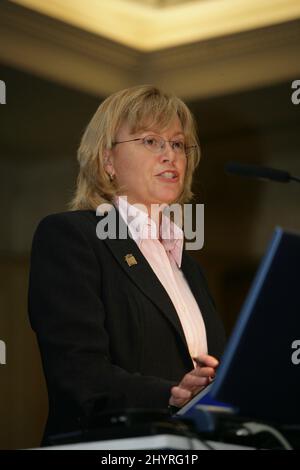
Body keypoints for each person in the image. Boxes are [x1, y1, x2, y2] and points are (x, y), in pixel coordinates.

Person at [28, 85, 226, 444]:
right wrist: (170, 393)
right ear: (107, 160)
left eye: (178, 144)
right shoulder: (72, 236)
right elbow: (77, 371)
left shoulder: (189, 266)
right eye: (151, 141)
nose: (170, 155)